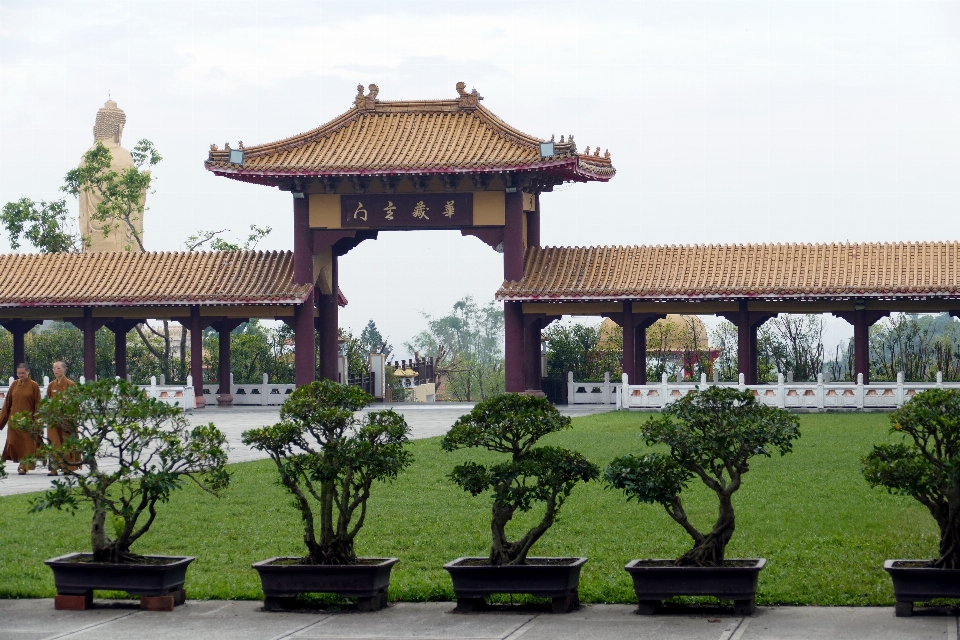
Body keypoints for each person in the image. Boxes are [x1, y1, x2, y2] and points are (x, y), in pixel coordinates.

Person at [0, 363, 43, 474]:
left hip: (28, 422)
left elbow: (38, 405)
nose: (21, 375)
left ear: (28, 372)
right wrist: (1, 421)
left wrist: (37, 422)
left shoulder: (34, 386)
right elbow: (7, 405)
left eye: (23, 373)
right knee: (13, 443)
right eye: (19, 373)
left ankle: (24, 466)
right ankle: (20, 462)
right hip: (14, 421)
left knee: (27, 444)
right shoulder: (14, 385)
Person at [46, 361, 78, 476]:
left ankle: (67, 467)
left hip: (66, 419)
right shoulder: (51, 385)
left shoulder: (70, 384)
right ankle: (54, 467)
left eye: (58, 368)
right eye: (54, 368)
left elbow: (76, 402)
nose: (56, 370)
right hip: (53, 419)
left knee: (67, 443)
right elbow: (48, 401)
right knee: (54, 442)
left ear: (64, 369)